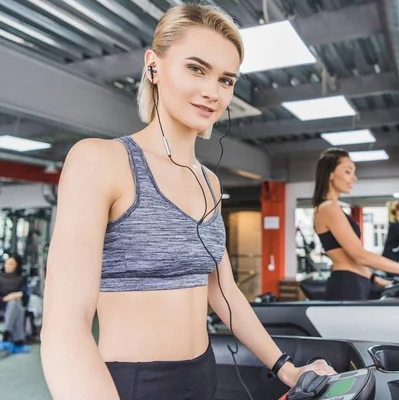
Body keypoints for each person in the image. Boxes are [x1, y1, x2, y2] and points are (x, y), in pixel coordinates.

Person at [40, 4, 334, 400]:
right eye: (196, 68)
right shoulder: (101, 161)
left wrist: (285, 367)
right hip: (133, 385)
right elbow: (65, 328)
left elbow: (223, 292)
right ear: (153, 66)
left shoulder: (209, 183)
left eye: (226, 79)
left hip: (204, 374)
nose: (213, 92)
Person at [312, 149, 399, 301]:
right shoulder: (329, 208)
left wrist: (373, 277)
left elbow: (349, 257)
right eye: (348, 172)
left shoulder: (329, 207)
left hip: (355, 280)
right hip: (348, 284)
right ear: (330, 174)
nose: (354, 178)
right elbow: (360, 256)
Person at [0, 255, 31, 354]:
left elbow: (25, 295)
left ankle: (6, 335)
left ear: (16, 266)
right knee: (16, 307)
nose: (8, 266)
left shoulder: (21, 278)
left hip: (16, 304)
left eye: (11, 264)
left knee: (15, 304)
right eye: (7, 263)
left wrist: (13, 295)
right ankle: (18, 341)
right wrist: (9, 297)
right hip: (2, 303)